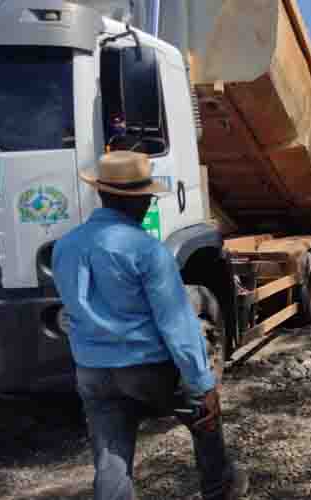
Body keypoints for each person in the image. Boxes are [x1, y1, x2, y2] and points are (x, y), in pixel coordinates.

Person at [52, 151, 247, 500]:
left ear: (102, 193)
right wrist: (203, 384)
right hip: (148, 368)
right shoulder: (147, 250)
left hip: (92, 371)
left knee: (111, 458)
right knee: (204, 417)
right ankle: (220, 488)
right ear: (137, 201)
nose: (147, 204)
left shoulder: (65, 246)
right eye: (146, 198)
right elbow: (177, 323)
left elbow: (71, 309)